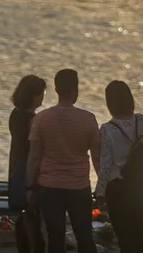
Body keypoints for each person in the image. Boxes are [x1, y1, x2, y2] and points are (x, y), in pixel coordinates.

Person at [27, 69, 101, 253]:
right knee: (84, 236)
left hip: (49, 187)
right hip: (79, 187)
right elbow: (97, 157)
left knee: (55, 238)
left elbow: (34, 157)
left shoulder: (41, 118)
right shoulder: (89, 119)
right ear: (75, 89)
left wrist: (29, 186)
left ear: (56, 88)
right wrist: (102, 187)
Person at [98, 81, 143, 253]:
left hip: (119, 189)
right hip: (141, 186)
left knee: (125, 239)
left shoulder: (108, 129)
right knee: (139, 235)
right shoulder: (142, 121)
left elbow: (106, 165)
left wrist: (100, 193)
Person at [9, 75, 48, 253]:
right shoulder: (34, 120)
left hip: (17, 166)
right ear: (33, 95)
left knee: (23, 217)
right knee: (34, 219)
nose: (43, 97)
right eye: (41, 94)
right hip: (31, 170)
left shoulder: (15, 115)